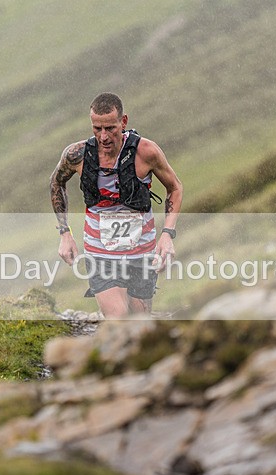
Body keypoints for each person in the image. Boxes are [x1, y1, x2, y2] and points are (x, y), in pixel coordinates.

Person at [50, 93, 183, 317]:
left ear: (123, 122)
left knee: (138, 323)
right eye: (97, 128)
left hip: (141, 251)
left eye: (110, 128)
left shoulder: (146, 152)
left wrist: (168, 234)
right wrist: (65, 233)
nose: (103, 136)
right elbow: (56, 182)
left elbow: (175, 187)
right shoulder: (78, 154)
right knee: (119, 318)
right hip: (100, 252)